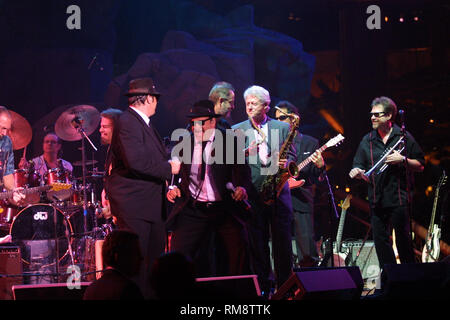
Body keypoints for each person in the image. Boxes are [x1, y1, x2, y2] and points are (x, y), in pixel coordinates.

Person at [104, 77, 181, 299]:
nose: (157, 103)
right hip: (135, 205)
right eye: (155, 98)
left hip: (148, 205)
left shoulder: (141, 123)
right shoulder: (128, 122)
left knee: (151, 265)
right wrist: (170, 169)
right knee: (137, 265)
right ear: (147, 98)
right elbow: (136, 163)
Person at [166, 100, 251, 277]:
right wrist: (173, 188)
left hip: (224, 207)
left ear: (213, 122)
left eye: (201, 123)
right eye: (193, 123)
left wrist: (242, 188)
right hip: (194, 208)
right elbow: (175, 173)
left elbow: (242, 171)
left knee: (237, 252)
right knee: (177, 255)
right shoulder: (184, 143)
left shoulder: (229, 141)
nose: (197, 128)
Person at [231, 85, 295, 296]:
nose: (248, 107)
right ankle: (264, 289)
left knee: (283, 244)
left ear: (266, 106)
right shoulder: (237, 129)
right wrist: (244, 152)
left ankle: (286, 287)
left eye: (254, 103)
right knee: (257, 246)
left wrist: (286, 164)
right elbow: (231, 162)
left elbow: (292, 155)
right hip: (253, 194)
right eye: (247, 103)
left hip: (278, 194)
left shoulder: (283, 127)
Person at [349, 96, 424, 268]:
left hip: (399, 199)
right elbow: (357, 165)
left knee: (404, 243)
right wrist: (357, 172)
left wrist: (402, 159)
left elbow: (420, 165)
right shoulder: (367, 140)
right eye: (371, 114)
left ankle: (409, 279)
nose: (372, 118)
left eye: (377, 114)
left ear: (389, 116)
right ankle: (391, 278)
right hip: (376, 199)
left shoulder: (403, 137)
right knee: (381, 243)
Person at [274, 101, 325, 268]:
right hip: (279, 199)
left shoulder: (310, 142)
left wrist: (320, 166)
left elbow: (316, 176)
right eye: (276, 119)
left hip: (301, 199)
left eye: (282, 118)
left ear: (293, 119)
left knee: (307, 250)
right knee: (280, 249)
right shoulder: (273, 143)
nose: (278, 122)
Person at [83, 229, 144, 300]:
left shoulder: (91, 289)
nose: (141, 258)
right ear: (118, 256)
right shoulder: (129, 290)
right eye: (135, 253)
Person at [18, 132, 73, 203]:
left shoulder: (67, 165)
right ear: (43, 145)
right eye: (47, 142)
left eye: (53, 142)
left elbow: (70, 187)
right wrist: (23, 169)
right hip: (40, 201)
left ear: (59, 146)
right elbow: (25, 182)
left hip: (62, 200)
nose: (49, 144)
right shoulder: (34, 163)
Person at [98, 108, 122, 225]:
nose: (100, 130)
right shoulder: (111, 148)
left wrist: (115, 205)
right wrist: (105, 193)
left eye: (104, 126)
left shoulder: (123, 149)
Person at [0, 106, 25, 207]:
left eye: (7, 129)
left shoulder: (6, 142)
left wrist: (13, 191)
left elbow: (7, 173)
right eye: (3, 128)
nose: (5, 133)